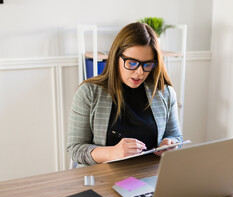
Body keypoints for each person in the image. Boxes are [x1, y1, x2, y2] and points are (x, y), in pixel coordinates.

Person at [67, 22, 183, 167]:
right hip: (102, 178)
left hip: (150, 176)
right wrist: (112, 153)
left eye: (147, 64)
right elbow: (75, 149)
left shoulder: (165, 93)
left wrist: (171, 143)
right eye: (132, 63)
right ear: (116, 58)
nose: (140, 72)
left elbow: (176, 136)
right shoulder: (89, 93)